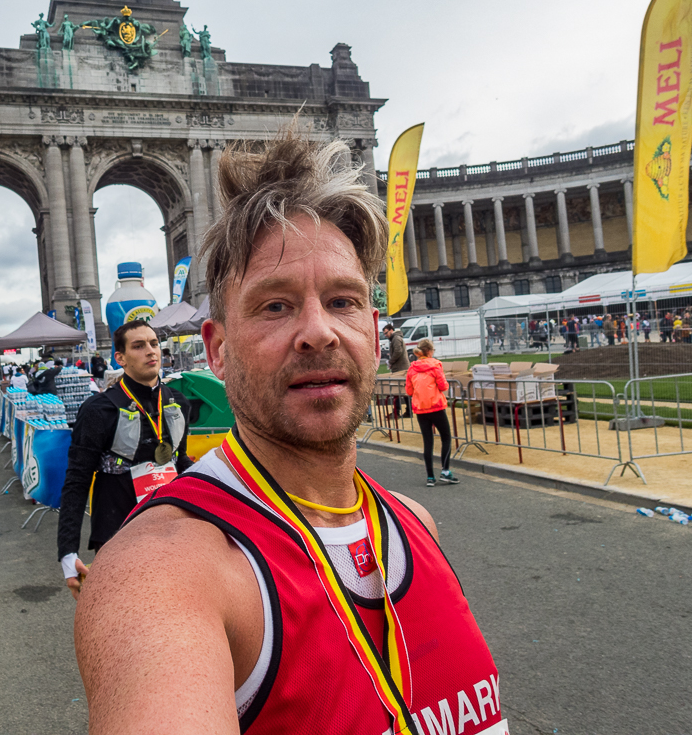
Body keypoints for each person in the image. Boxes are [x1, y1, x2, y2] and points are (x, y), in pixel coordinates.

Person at [75, 132, 503, 734]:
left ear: (375, 333)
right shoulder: (161, 574)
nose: (319, 332)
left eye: (343, 300)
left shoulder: (416, 525)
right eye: (275, 306)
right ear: (217, 352)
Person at [58, 319, 193, 596]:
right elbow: (77, 480)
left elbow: (181, 462)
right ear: (120, 358)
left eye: (154, 344)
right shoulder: (98, 410)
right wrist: (67, 552)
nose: (151, 351)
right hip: (118, 532)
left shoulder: (179, 402)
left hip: (172, 529)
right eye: (139, 346)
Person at [405, 338, 456, 487]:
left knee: (428, 441)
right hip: (436, 406)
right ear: (430, 351)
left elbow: (408, 390)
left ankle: (430, 476)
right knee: (446, 437)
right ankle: (445, 471)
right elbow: (443, 385)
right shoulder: (435, 366)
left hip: (421, 408)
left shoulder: (412, 369)